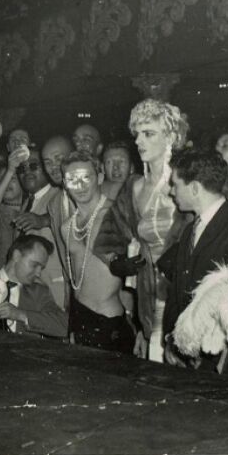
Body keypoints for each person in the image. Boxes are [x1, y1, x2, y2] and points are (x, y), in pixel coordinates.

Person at [159, 150, 228, 371]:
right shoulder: (190, 230)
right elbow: (177, 290)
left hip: (215, 359)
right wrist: (172, 341)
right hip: (186, 354)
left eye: (175, 184)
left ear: (194, 188)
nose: (171, 191)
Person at [112, 99, 189, 361]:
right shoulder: (133, 188)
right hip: (149, 297)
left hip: (183, 294)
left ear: (170, 136)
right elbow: (116, 240)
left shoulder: (187, 182)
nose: (138, 141)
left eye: (148, 134)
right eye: (137, 134)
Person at [56, 151, 135, 352]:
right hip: (80, 319)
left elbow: (132, 274)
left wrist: (139, 323)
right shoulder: (66, 227)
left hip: (109, 320)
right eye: (72, 179)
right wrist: (72, 323)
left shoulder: (114, 215)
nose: (79, 185)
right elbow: (76, 282)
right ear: (65, 184)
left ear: (99, 178)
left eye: (85, 177)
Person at [12, 145, 68, 309]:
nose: (27, 171)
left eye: (34, 166)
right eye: (22, 168)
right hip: (33, 288)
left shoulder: (59, 195)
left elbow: (71, 216)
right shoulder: (27, 202)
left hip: (56, 286)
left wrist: (44, 220)